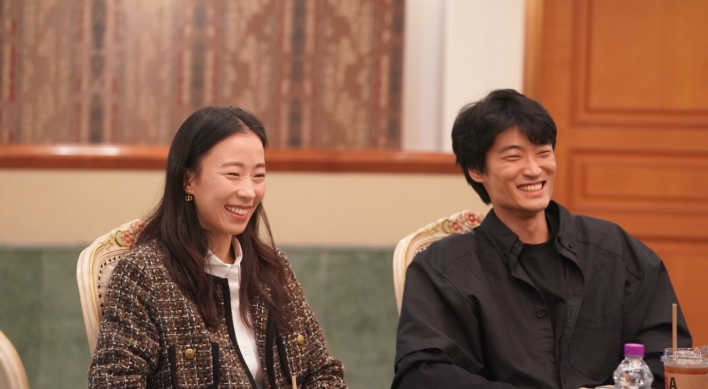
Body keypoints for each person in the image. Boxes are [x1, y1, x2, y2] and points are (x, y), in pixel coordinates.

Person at [392, 89, 691, 389]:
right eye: (513, 156)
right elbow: (421, 375)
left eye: (544, 152)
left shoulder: (617, 251)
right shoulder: (443, 268)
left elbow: (669, 357)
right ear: (477, 170)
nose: (534, 169)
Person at [88, 106, 347, 389]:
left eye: (258, 176)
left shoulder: (272, 269)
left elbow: (324, 372)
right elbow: (113, 383)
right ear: (188, 180)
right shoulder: (145, 275)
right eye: (233, 174)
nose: (249, 191)